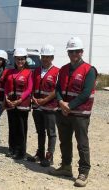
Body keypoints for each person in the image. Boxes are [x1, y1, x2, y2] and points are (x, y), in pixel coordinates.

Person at [50, 37, 97, 187]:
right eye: (71, 51)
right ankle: (66, 166)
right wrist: (60, 102)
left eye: (76, 51)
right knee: (64, 140)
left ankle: (83, 172)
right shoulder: (63, 69)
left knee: (82, 143)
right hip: (64, 112)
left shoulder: (89, 70)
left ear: (81, 52)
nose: (74, 54)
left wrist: (69, 106)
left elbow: (86, 92)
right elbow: (58, 88)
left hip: (80, 114)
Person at [27, 44, 59, 166]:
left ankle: (49, 156)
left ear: (52, 57)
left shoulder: (57, 72)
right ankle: (40, 153)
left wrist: (45, 100)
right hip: (37, 107)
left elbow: (57, 90)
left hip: (50, 107)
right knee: (40, 131)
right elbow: (31, 87)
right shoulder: (36, 71)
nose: (45, 59)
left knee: (51, 132)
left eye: (48, 57)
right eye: (43, 56)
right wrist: (33, 98)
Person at [4, 48, 33, 160]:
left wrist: (20, 100)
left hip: (22, 104)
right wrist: (6, 98)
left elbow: (29, 88)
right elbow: (6, 87)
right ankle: (12, 149)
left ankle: (21, 151)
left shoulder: (29, 73)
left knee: (21, 128)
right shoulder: (10, 72)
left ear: (25, 60)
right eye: (18, 59)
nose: (20, 61)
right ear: (14, 59)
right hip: (11, 103)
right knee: (12, 127)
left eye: (22, 59)